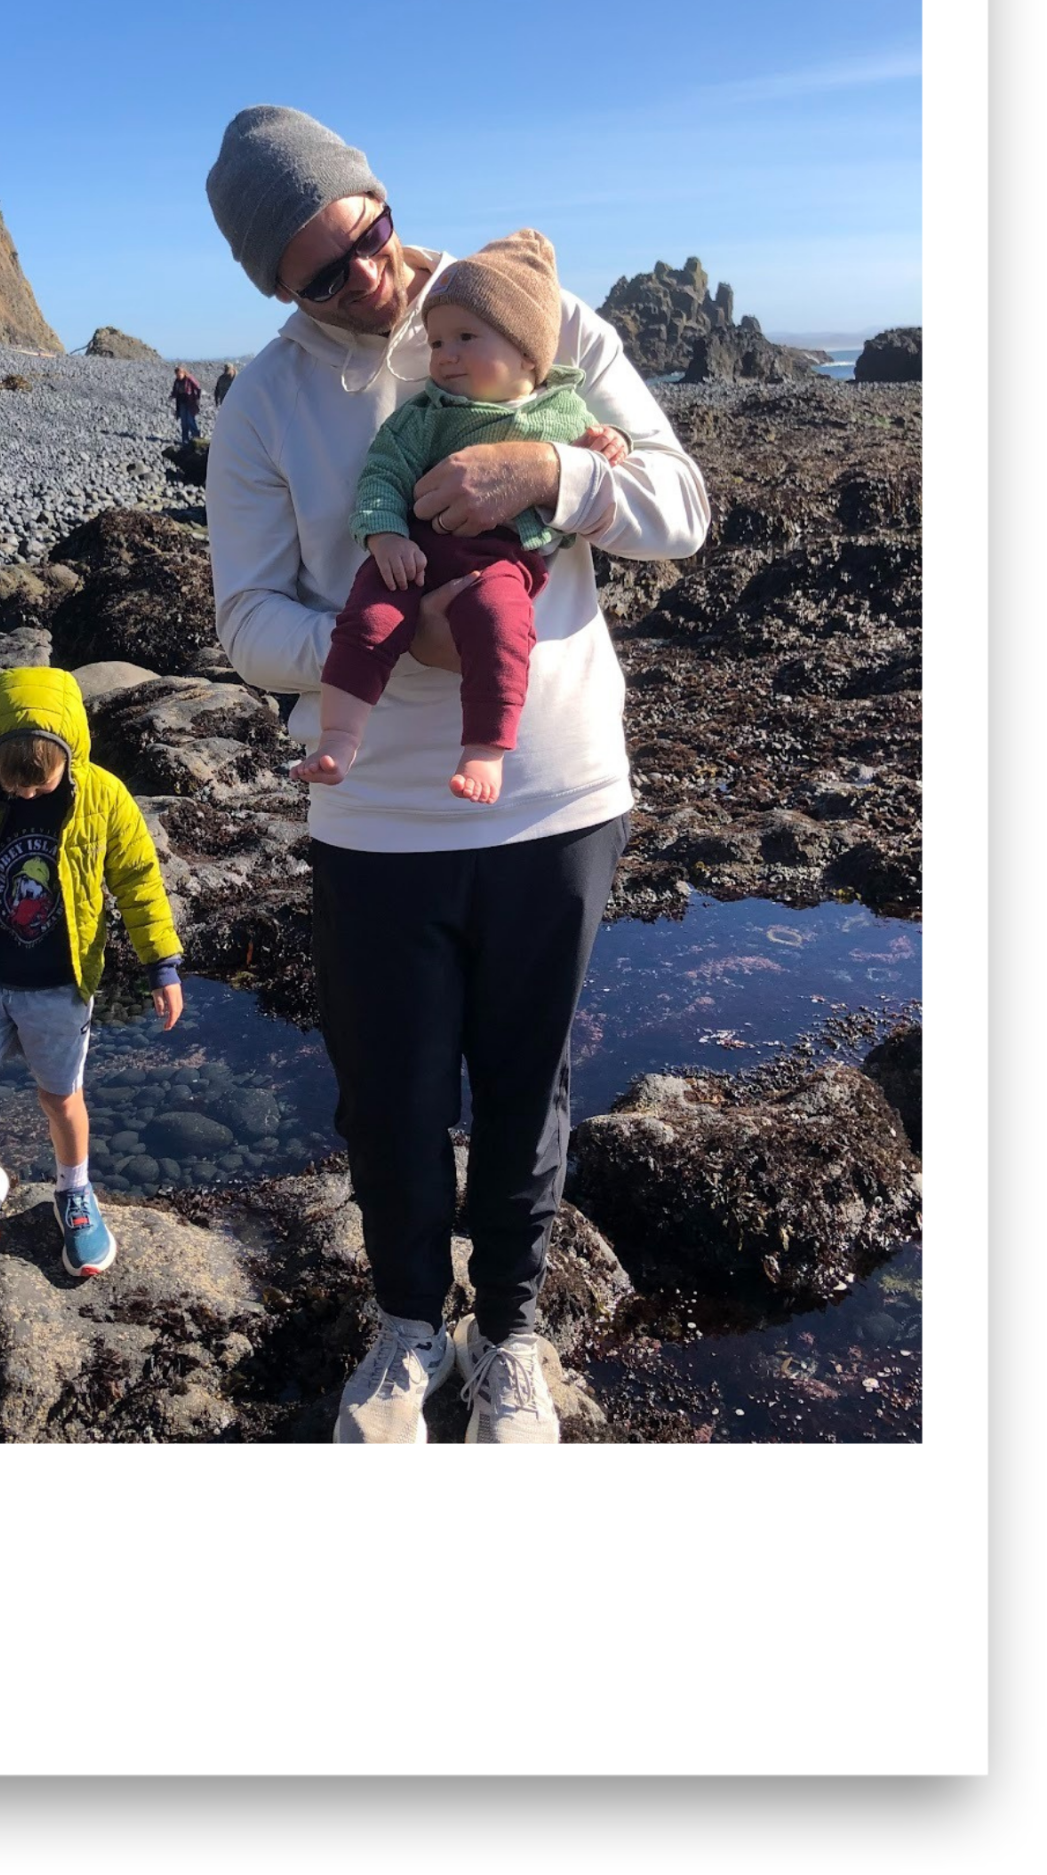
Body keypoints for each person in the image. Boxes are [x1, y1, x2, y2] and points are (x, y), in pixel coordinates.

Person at [204, 106, 708, 1443]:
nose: (370, 279)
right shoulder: (263, 404)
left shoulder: (535, 314)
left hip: (556, 796)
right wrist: (397, 642)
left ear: (380, 195)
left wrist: (555, 471)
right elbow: (246, 625)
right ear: (276, 290)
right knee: (391, 1101)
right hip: (373, 818)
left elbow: (681, 506)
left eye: (369, 234)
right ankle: (406, 1329)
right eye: (324, 277)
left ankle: (513, 1335)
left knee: (528, 1090)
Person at [293, 231, 628, 804]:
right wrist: (384, 535)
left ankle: (486, 749)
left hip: (497, 562)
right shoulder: (427, 413)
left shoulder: (562, 411)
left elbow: (595, 457)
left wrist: (609, 442)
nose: (445, 355)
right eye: (438, 341)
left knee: (502, 626)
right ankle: (340, 736)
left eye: (466, 338)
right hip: (413, 552)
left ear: (527, 354)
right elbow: (383, 472)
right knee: (367, 620)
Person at [0, 666, 184, 1278]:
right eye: (14, 787)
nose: (28, 797)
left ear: (71, 755)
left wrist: (162, 965)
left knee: (60, 1097)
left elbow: (139, 881)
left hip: (60, 985)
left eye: (41, 785)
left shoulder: (104, 797)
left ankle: (75, 1189)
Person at [170, 364, 203, 444]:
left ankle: (196, 436)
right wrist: (172, 395)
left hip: (190, 403)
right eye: (177, 375)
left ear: (183, 373)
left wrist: (197, 398)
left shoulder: (189, 379)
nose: (178, 376)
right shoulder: (177, 381)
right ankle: (185, 439)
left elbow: (198, 387)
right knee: (184, 421)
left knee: (190, 420)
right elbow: (175, 390)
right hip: (181, 403)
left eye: (179, 374)